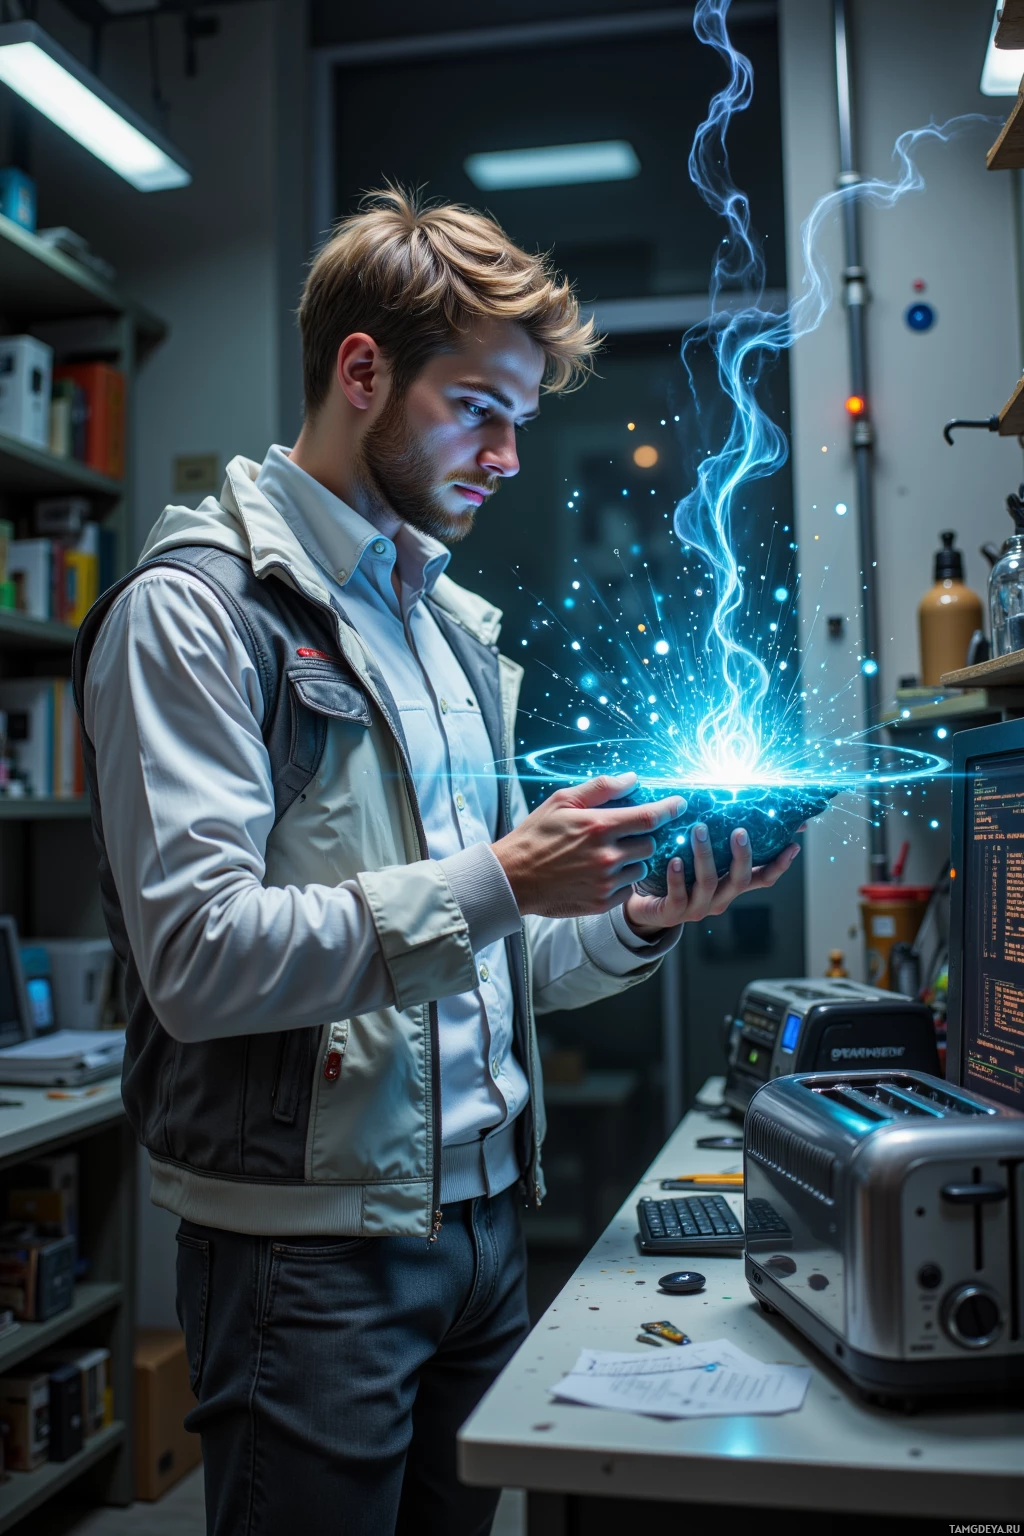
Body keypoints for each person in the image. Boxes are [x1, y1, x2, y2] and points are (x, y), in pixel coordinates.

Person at [74, 188, 799, 1536]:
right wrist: (508, 878)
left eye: (521, 418)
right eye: (482, 408)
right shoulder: (196, 614)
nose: (511, 456)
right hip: (310, 1263)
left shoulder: (448, 630)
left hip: (483, 1234)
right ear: (363, 372)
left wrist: (631, 915)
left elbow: (482, 955)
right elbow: (197, 962)